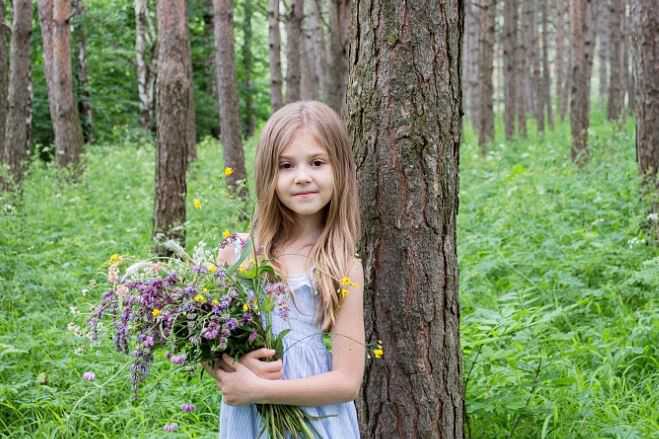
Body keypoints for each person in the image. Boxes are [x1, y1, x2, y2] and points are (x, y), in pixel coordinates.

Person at [206, 100, 365, 438]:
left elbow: (347, 382)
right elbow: (208, 343)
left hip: (321, 424)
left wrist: (260, 390)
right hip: (252, 424)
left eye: (317, 162)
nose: (303, 177)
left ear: (340, 170)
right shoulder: (237, 254)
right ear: (269, 175)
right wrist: (232, 366)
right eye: (286, 165)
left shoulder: (342, 265)